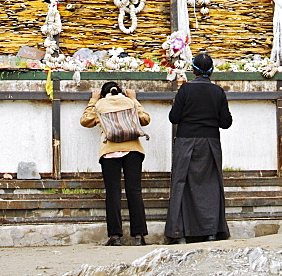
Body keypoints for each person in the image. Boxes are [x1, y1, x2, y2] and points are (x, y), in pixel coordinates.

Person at [164, 52, 232, 244]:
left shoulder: (185, 90)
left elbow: (174, 118)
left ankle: (179, 233)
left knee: (181, 184)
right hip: (210, 142)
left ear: (193, 70)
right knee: (211, 185)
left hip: (186, 141)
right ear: (211, 71)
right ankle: (212, 231)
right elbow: (226, 122)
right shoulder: (218, 92)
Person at [80, 81, 150, 247]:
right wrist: (135, 100)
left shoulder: (100, 105)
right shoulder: (130, 102)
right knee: (135, 191)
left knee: (113, 193)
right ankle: (139, 235)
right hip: (133, 150)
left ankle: (115, 236)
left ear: (103, 93)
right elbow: (145, 119)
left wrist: (93, 100)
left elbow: (85, 121)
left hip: (109, 150)